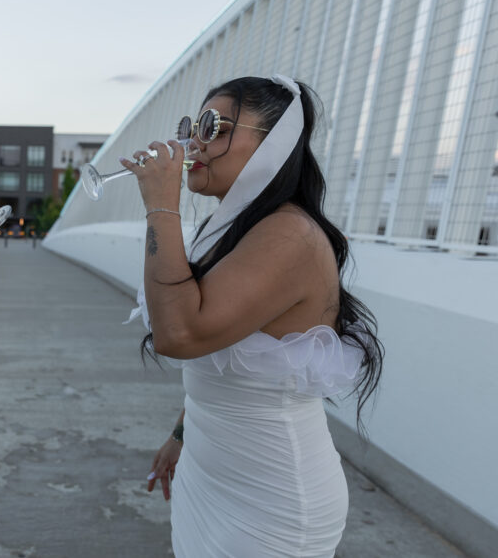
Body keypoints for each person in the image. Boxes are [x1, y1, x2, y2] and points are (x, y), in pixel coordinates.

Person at [125, 75, 383, 557]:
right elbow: (226, 351)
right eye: (191, 125)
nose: (192, 143)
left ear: (275, 143)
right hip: (210, 474)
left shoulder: (290, 235)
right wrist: (182, 433)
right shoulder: (227, 231)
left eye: (212, 126)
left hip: (272, 503)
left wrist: (161, 204)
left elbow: (179, 334)